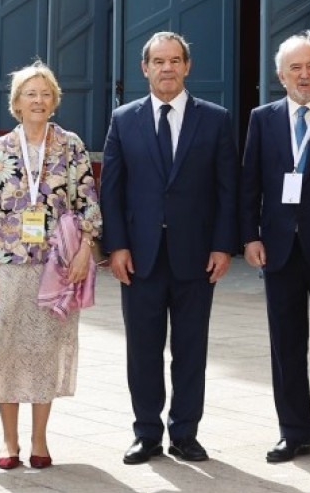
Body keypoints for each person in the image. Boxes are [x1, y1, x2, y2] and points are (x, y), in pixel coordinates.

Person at [102, 31, 239, 465]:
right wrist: (117, 246)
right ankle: (146, 433)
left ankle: (185, 432)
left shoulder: (215, 119)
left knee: (191, 349)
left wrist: (223, 246)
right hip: (139, 257)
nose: (166, 68)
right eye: (158, 61)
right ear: (145, 68)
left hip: (195, 256)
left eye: (174, 60)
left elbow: (227, 190)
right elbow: (112, 190)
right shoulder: (123, 119)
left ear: (187, 66)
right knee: (142, 351)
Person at [0, 63, 101, 470]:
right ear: (16, 102)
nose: (37, 100)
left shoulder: (70, 145)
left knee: (44, 351)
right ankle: (9, 440)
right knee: (2, 348)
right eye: (30, 93)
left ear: (54, 100)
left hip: (55, 267)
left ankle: (39, 439)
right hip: (5, 266)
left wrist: (84, 250)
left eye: (44, 93)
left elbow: (87, 201)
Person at [240, 32, 310, 465]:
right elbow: (249, 181)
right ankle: (292, 432)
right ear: (280, 75)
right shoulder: (262, 119)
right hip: (278, 248)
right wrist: (249, 235)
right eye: (295, 68)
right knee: (285, 344)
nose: (304, 75)